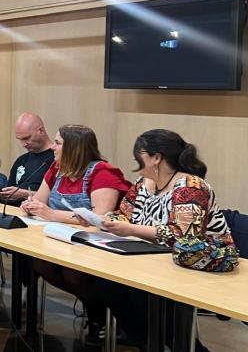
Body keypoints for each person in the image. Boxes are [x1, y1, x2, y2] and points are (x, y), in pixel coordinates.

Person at [94, 129, 238, 349]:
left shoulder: (190, 187)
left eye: (139, 155)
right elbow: (124, 214)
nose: (135, 160)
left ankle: (173, 343)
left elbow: (184, 236)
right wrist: (103, 220)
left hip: (195, 263)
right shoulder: (144, 182)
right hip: (149, 260)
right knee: (105, 282)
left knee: (138, 293)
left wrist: (131, 229)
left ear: (156, 157)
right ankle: (145, 340)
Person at [21, 125, 131, 343]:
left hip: (94, 243)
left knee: (74, 273)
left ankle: (97, 313)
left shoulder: (102, 173)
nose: (53, 147)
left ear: (75, 148)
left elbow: (99, 217)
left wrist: (51, 214)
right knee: (39, 263)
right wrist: (30, 205)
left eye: (58, 143)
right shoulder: (56, 168)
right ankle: (93, 305)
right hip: (59, 237)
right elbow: (40, 201)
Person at [0, 112, 54, 204]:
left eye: (26, 138)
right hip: (14, 211)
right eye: (20, 139)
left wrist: (26, 194)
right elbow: (8, 198)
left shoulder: (58, 159)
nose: (23, 144)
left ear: (41, 131)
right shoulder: (21, 160)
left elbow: (58, 200)